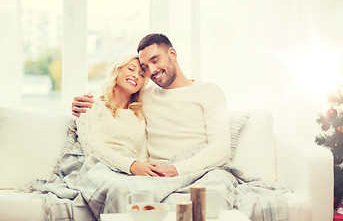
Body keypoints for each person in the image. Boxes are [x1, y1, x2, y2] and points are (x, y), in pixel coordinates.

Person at [72, 33, 231, 177]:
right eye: (145, 67)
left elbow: (221, 148)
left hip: (197, 169)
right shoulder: (145, 96)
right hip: (156, 172)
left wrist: (177, 170)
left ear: (173, 54)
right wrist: (83, 103)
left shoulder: (210, 92)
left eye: (155, 60)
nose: (152, 70)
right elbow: (115, 105)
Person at [76, 55, 159, 177]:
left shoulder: (139, 116)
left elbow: (143, 155)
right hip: (97, 167)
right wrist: (131, 166)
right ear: (117, 70)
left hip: (130, 173)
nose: (136, 76)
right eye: (131, 69)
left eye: (141, 75)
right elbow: (92, 148)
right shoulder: (91, 106)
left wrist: (145, 172)